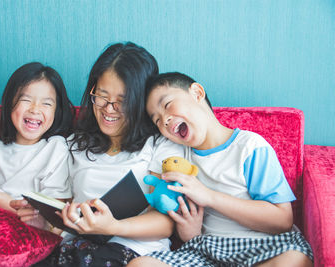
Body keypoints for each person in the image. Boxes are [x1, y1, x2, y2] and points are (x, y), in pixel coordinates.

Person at [11, 42, 184, 267]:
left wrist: (113, 227)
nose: (108, 109)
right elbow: (64, 212)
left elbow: (166, 223)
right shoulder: (74, 144)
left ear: (140, 102)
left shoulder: (160, 144)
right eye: (101, 96)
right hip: (77, 249)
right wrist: (44, 221)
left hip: (135, 252)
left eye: (121, 102)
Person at [127, 72, 313, 266]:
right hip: (207, 251)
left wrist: (210, 197)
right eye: (157, 120)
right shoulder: (180, 158)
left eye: (167, 105)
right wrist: (189, 233)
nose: (164, 120)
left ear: (197, 93)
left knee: (295, 260)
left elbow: (282, 221)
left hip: (265, 247)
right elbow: (180, 221)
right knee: (140, 264)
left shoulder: (249, 146)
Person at [0, 62, 75, 218]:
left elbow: (53, 209)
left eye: (46, 103)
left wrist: (10, 206)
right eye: (26, 100)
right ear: (10, 103)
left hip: (34, 226)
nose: (35, 109)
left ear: (57, 112)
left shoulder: (56, 148)